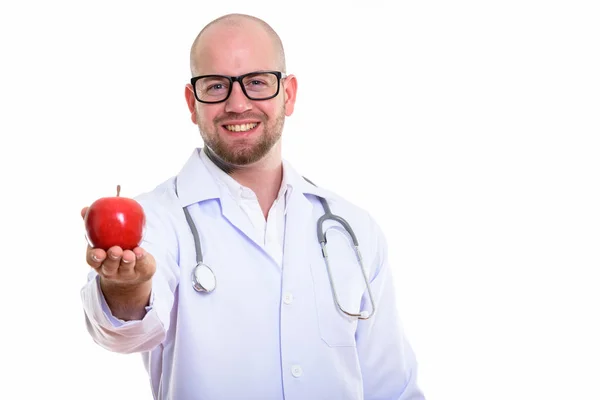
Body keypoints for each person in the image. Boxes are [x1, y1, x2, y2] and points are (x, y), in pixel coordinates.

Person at [80, 13, 425, 400]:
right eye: (216, 86)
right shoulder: (155, 220)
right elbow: (126, 333)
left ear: (288, 94)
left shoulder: (352, 228)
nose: (237, 103)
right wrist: (126, 287)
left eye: (257, 83)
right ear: (192, 103)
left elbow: (392, 387)